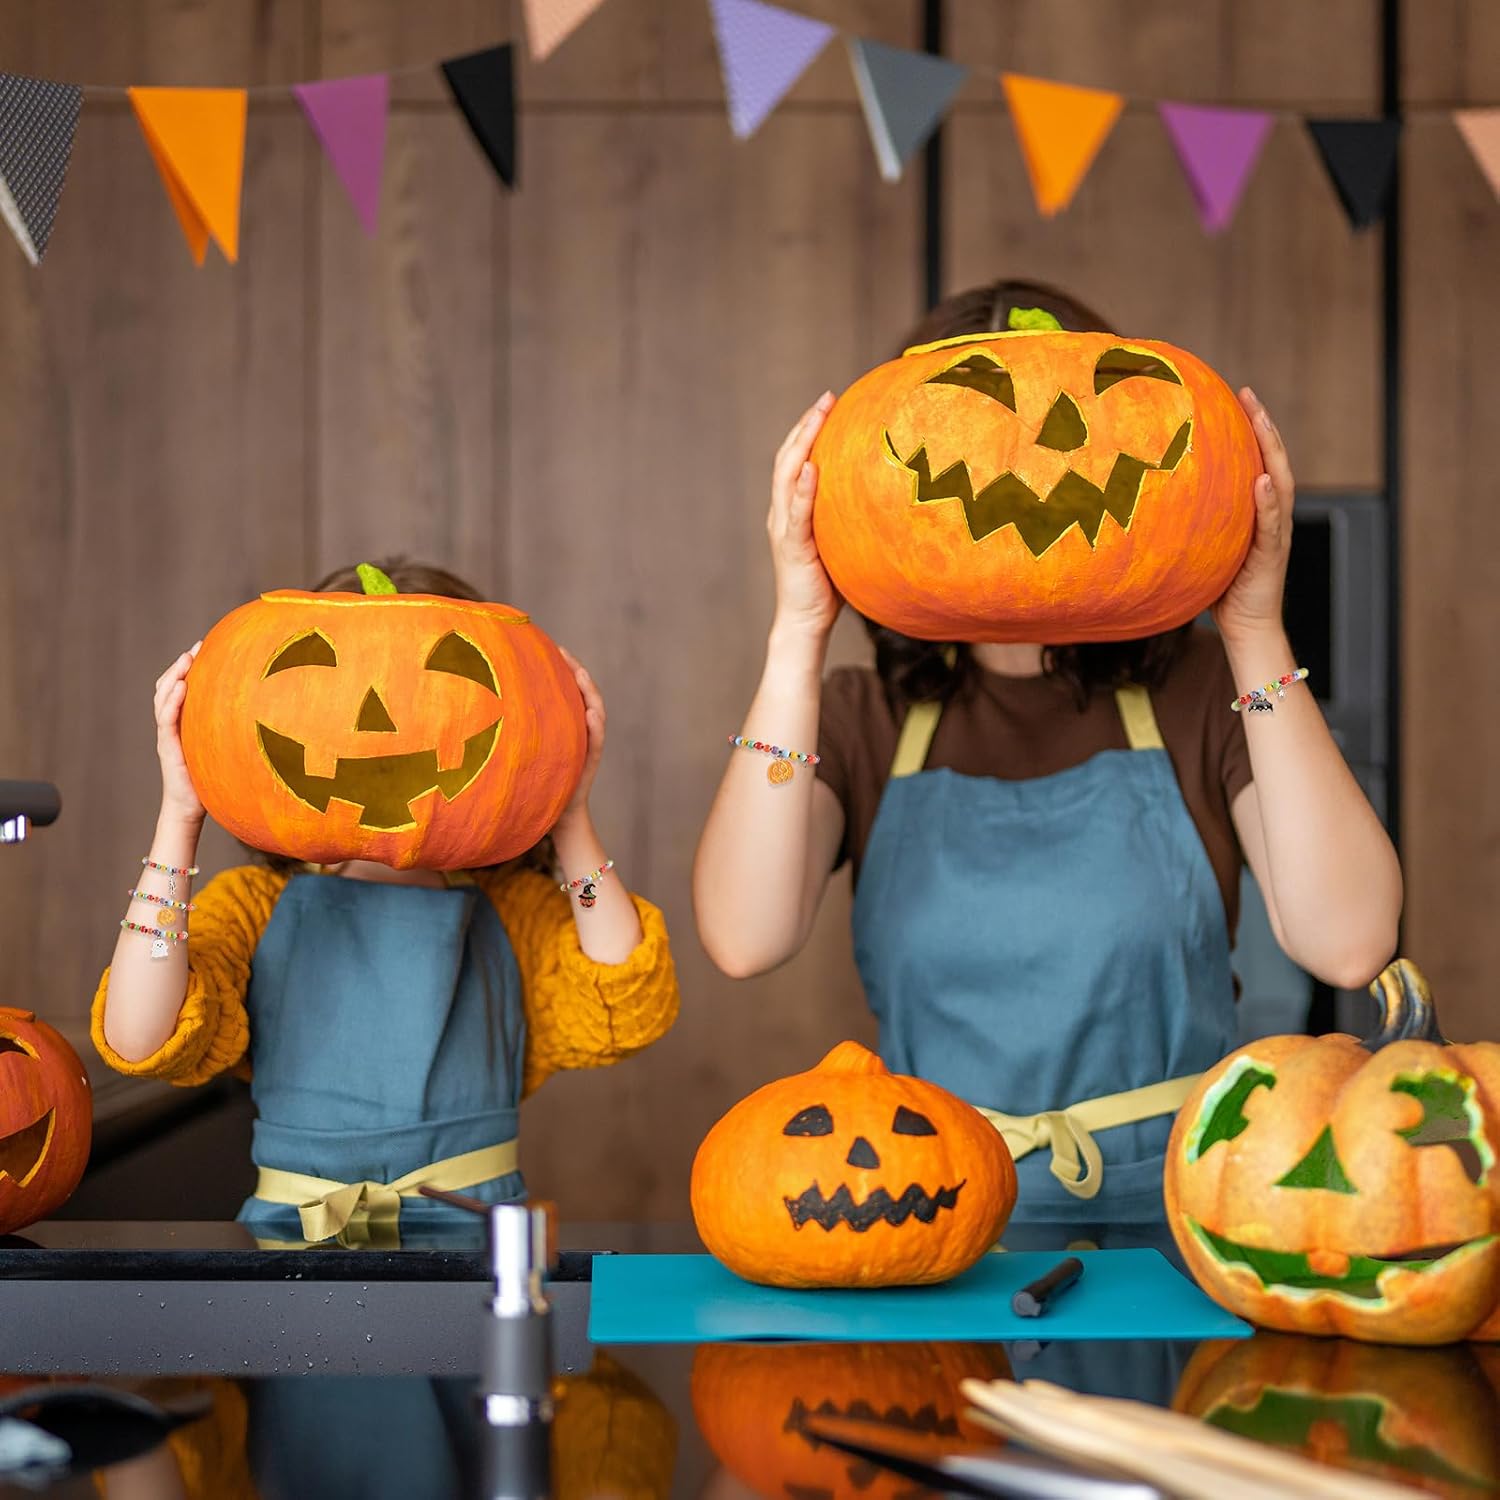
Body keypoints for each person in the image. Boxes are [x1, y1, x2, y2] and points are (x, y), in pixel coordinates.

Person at [694, 279, 1402, 1223]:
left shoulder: (1201, 692)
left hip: (1185, 1220)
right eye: (974, 422)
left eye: (1073, 421)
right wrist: (797, 630)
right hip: (929, 1214)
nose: (1026, 459)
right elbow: (744, 937)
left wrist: (1255, 631)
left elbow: (1350, 943)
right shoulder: (863, 717)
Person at [93, 560, 679, 1246]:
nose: (378, 721)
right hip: (292, 1246)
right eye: (328, 684)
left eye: (438, 683)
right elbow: (139, 1035)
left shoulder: (511, 910)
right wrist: (180, 815)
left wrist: (569, 813)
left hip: (474, 1246)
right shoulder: (255, 906)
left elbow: (624, 999)